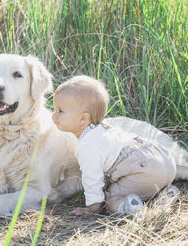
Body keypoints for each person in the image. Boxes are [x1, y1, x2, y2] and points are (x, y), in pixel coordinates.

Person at [52, 75, 178, 216]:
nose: (53, 116)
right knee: (144, 184)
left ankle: (131, 209)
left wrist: (93, 208)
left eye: (60, 111)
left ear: (83, 118)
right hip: (164, 160)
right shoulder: (106, 129)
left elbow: (92, 178)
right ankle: (163, 194)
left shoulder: (87, 145)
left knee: (110, 200)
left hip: (144, 170)